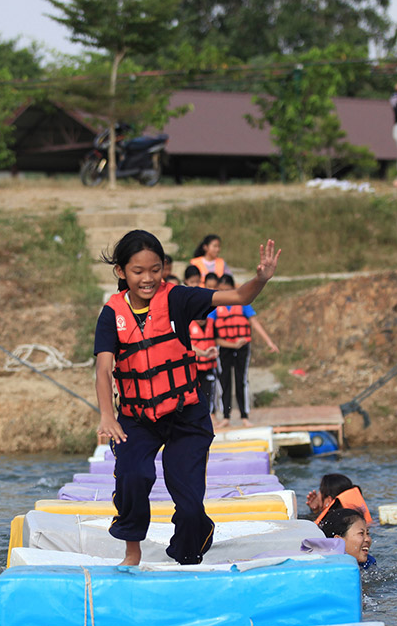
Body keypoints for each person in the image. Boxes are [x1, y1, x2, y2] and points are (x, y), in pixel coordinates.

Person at [95, 230, 281, 566]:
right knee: (133, 476)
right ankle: (132, 552)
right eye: (138, 271)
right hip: (138, 418)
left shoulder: (178, 298)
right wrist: (107, 415)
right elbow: (104, 368)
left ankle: (188, 554)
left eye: (155, 269)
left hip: (185, 415)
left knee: (191, 504)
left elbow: (239, 296)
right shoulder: (112, 314)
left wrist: (261, 279)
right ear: (121, 271)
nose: (148, 278)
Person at [211, 273, 278, 428]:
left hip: (242, 347)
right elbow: (208, 328)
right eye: (222, 290)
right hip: (224, 347)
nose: (225, 293)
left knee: (241, 380)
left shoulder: (242, 303)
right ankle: (226, 416)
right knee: (224, 381)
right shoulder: (216, 308)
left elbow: (255, 323)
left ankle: (244, 416)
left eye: (228, 290)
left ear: (233, 288)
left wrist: (269, 342)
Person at [305, 472, 373, 526]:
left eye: (320, 490)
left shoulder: (329, 524)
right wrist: (315, 510)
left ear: (329, 500)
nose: (318, 494)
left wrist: (313, 514)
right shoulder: (360, 521)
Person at [188, 313, 218, 414]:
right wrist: (204, 353)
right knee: (194, 394)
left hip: (209, 366)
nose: (201, 319)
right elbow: (187, 345)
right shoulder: (188, 325)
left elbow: (217, 340)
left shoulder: (212, 323)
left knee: (210, 392)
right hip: (194, 368)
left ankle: (212, 415)